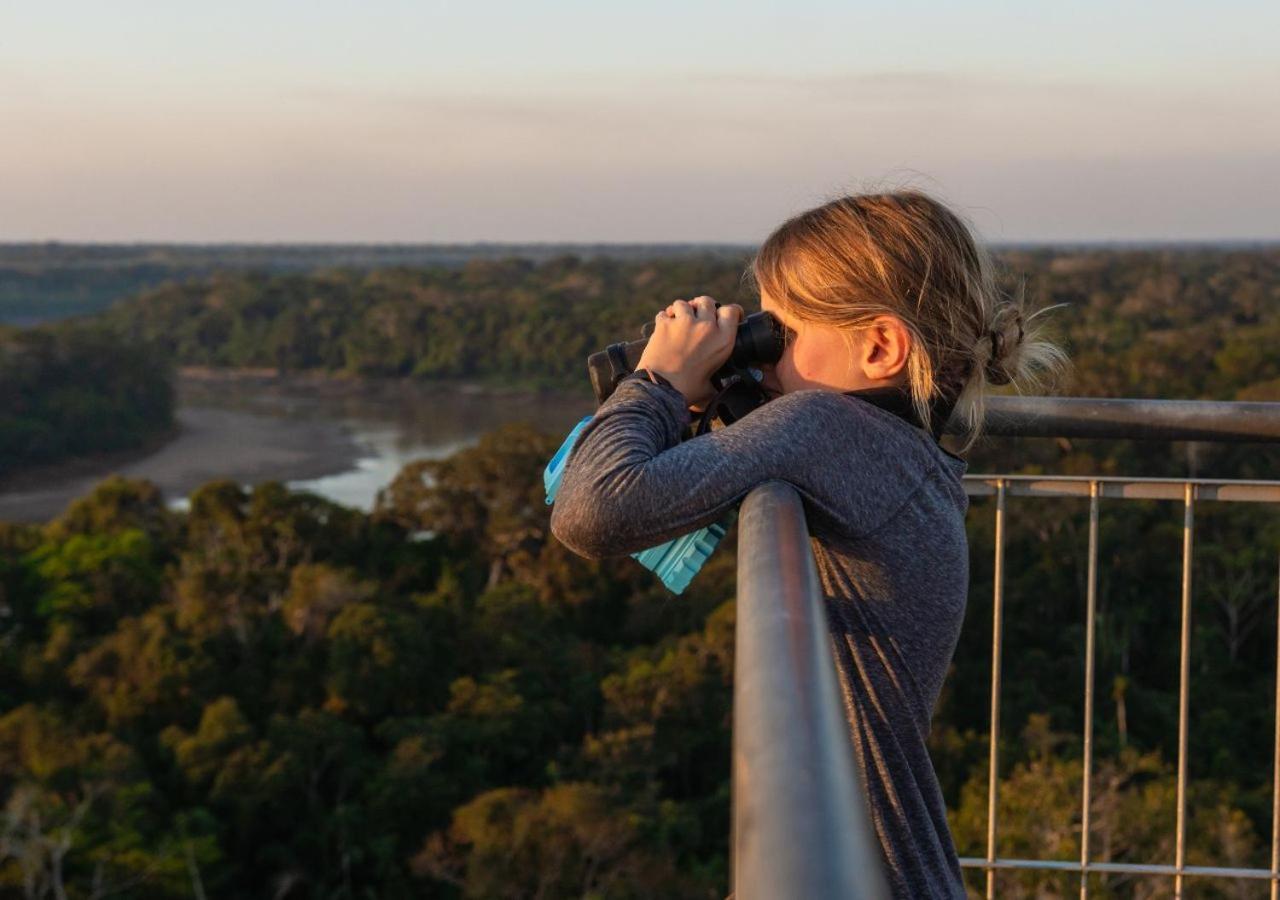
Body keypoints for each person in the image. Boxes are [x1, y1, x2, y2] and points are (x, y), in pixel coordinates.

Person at [549, 190, 1067, 899]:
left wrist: (658, 382)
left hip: (858, 875)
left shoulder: (827, 426)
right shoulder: (906, 456)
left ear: (881, 346)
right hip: (887, 869)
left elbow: (591, 512)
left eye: (779, 336)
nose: (760, 356)